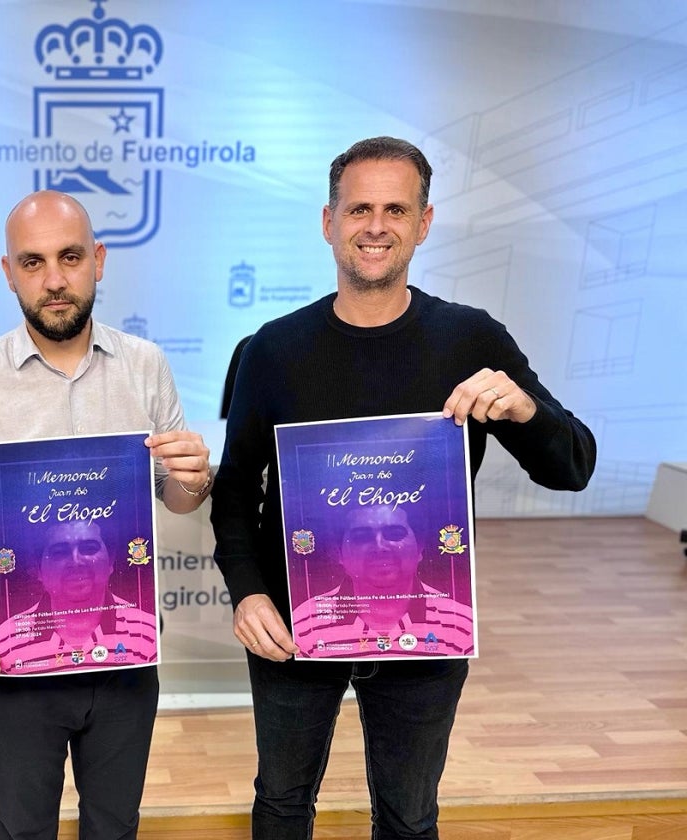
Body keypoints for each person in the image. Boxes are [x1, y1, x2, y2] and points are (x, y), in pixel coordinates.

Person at [210, 136, 596, 840]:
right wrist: (248, 590)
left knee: (409, 816)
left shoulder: (473, 341)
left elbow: (571, 467)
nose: (376, 226)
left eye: (396, 209)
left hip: (427, 622)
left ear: (424, 222)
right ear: (329, 222)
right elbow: (234, 490)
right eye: (359, 208)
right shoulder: (269, 349)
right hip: (297, 622)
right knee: (281, 804)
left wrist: (523, 408)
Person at [0, 190, 212, 840]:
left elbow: (176, 496)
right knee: (22, 827)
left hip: (125, 639)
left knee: (115, 824)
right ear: (8, 271)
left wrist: (195, 478)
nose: (54, 279)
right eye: (33, 261)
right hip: (16, 648)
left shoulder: (146, 368)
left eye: (70, 257)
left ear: (99, 260)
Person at [289, 504, 475, 658]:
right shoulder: (305, 624)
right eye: (362, 537)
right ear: (339, 554)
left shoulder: (461, 625)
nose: (380, 547)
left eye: (394, 534)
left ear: (420, 548)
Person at [0, 519, 159, 672]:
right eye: (59, 552)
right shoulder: (5, 642)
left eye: (89, 548)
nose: (76, 562)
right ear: (38, 569)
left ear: (111, 561)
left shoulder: (147, 634)